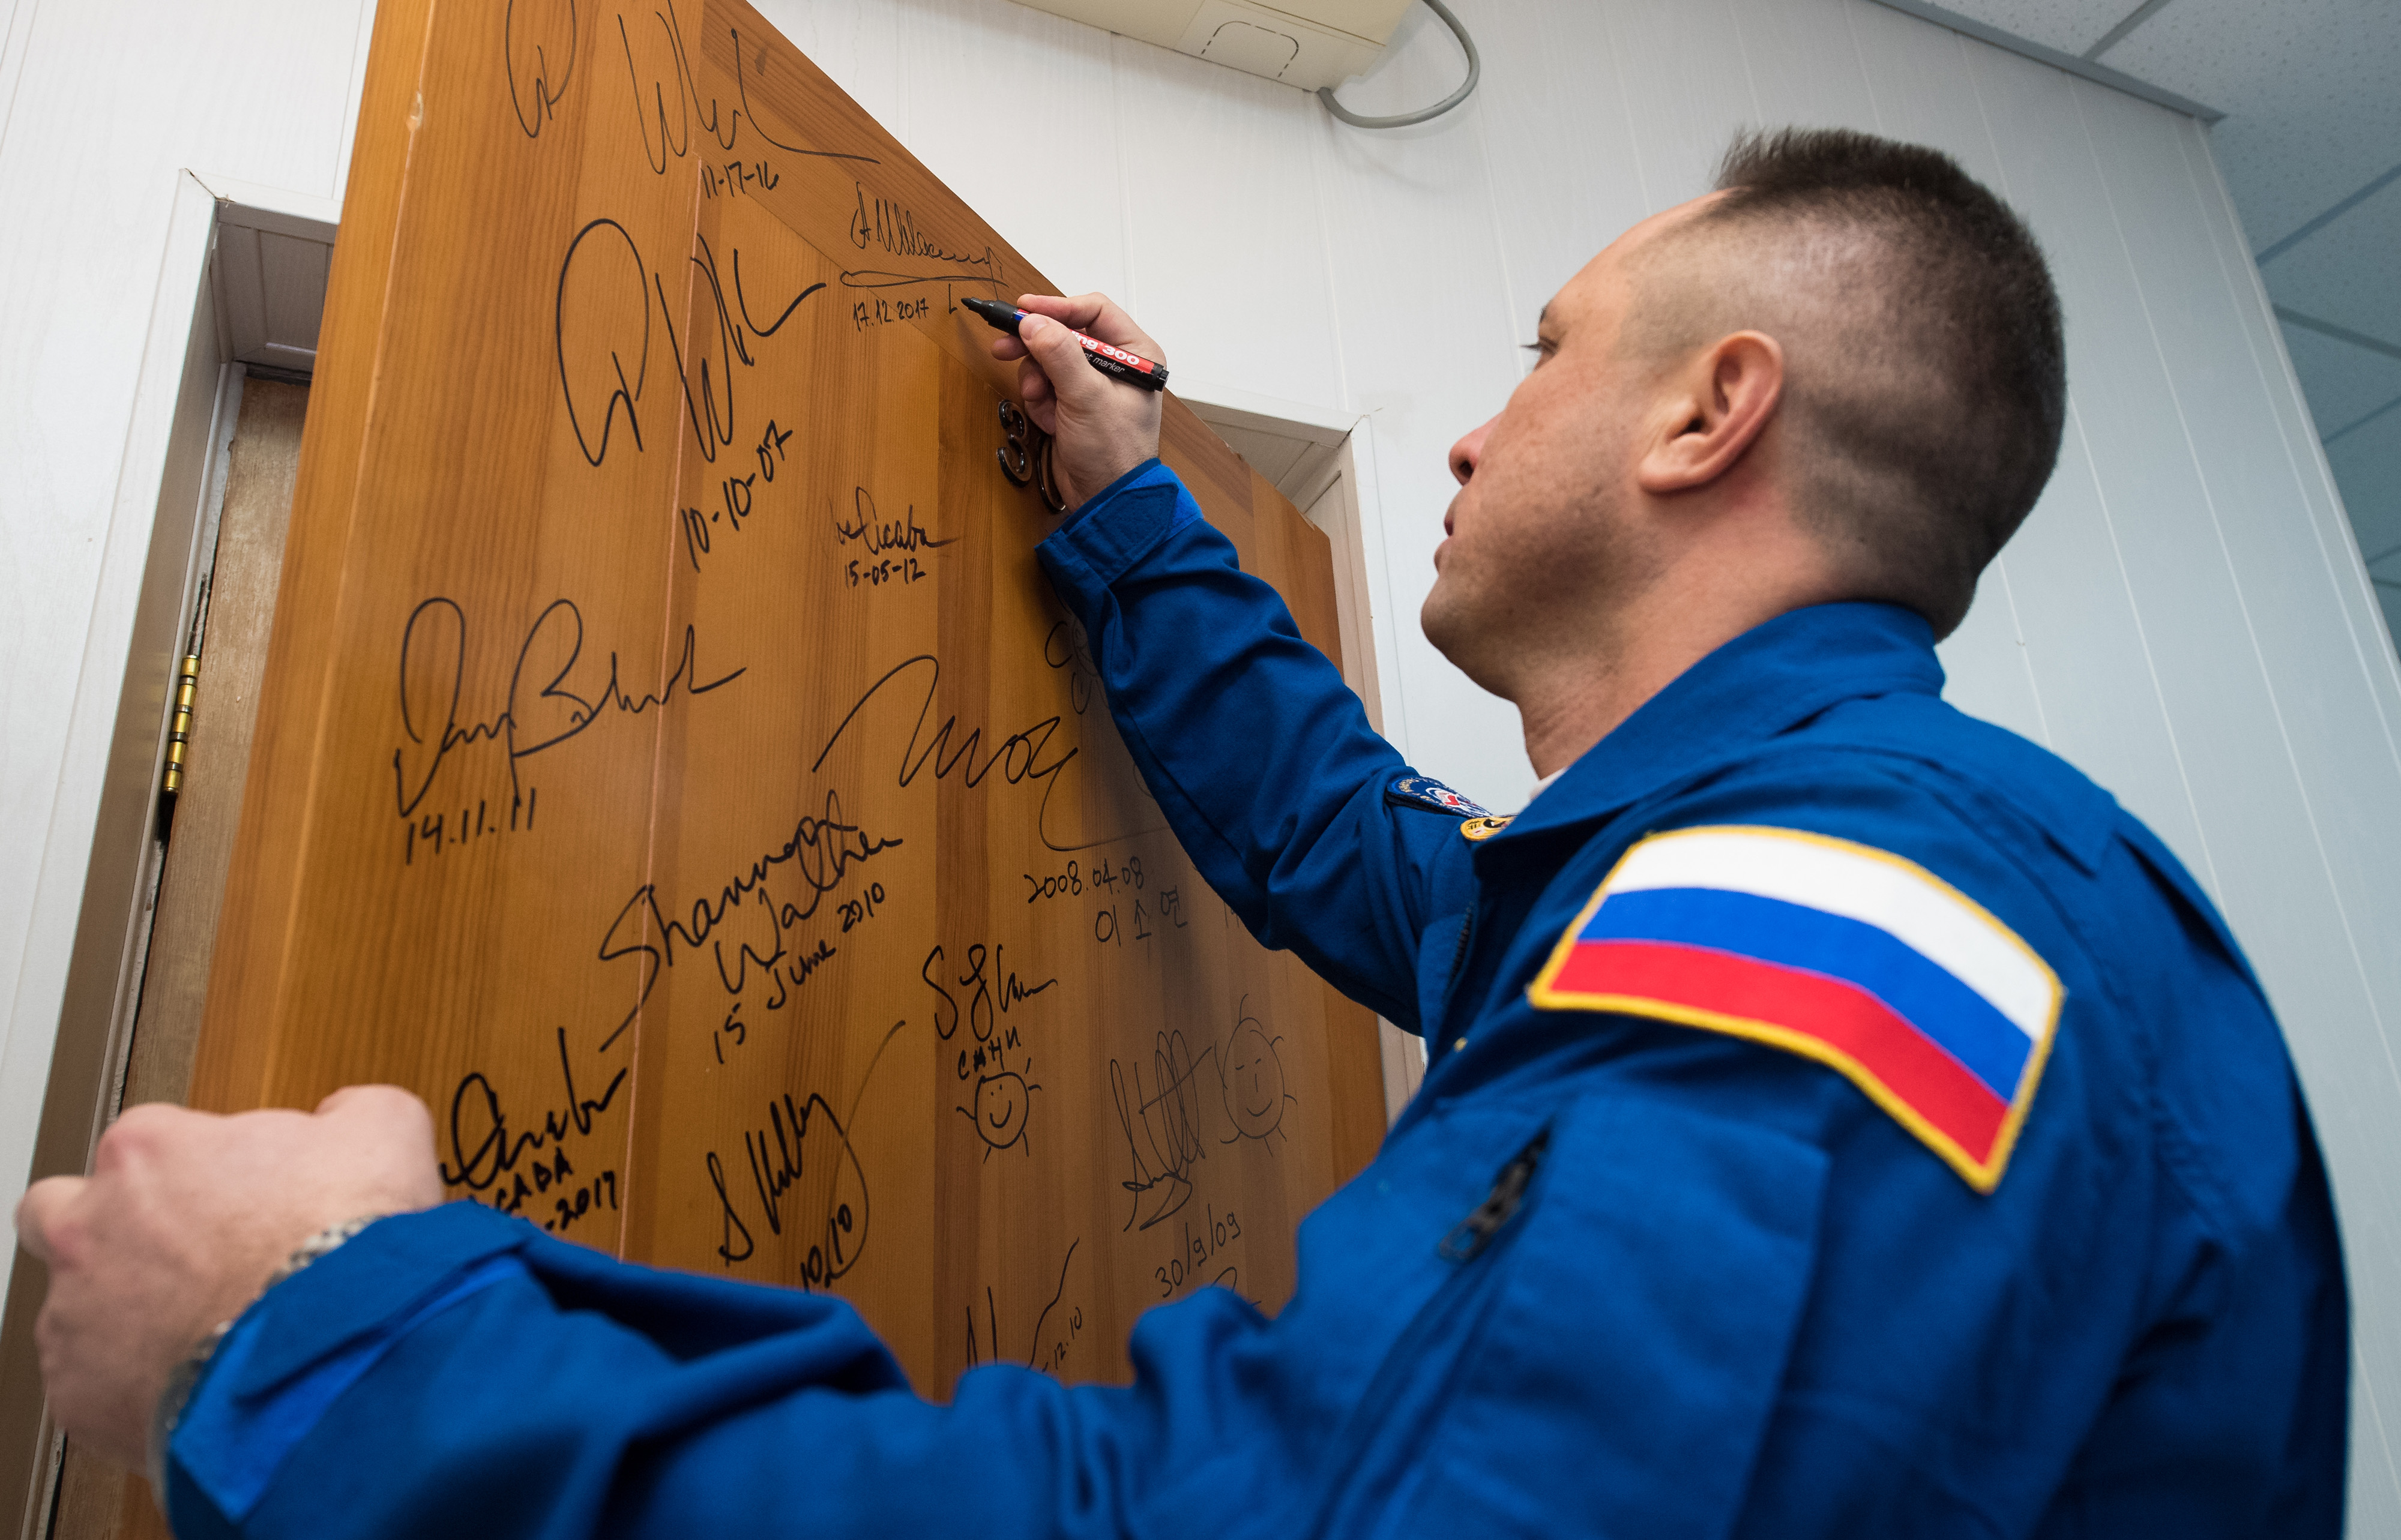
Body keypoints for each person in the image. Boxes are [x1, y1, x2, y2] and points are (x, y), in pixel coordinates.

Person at [17, 128, 2346, 1537]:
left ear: (1708, 414)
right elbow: (1358, 840)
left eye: (1547, 348)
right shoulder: (1766, 878)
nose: (1472, 434)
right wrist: (1128, 501)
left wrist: (309, 1342)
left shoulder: (1855, 929)